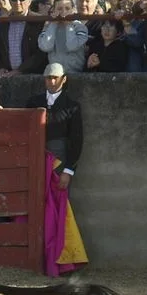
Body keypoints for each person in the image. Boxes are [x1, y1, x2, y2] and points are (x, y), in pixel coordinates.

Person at [25, 62, 87, 276]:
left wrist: (68, 171)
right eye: (48, 78)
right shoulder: (33, 103)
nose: (52, 81)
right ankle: (37, 260)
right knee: (36, 208)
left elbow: (76, 140)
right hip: (36, 161)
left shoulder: (72, 106)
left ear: (64, 79)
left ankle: (61, 261)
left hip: (58, 165)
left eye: (55, 78)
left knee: (59, 211)